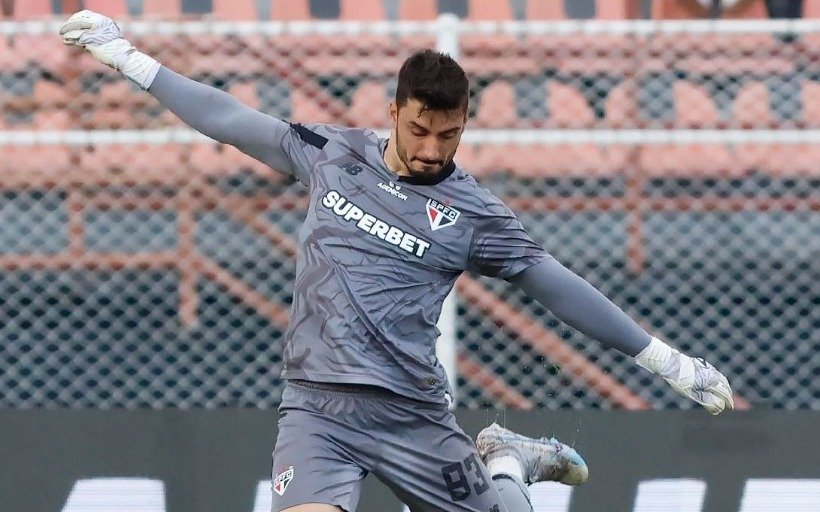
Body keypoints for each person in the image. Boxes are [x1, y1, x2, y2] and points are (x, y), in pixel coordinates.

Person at [59, 10, 735, 512]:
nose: (433, 147)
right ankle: (501, 462)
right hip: (318, 407)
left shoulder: (474, 213)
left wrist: (665, 361)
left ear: (464, 124)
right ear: (395, 112)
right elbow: (231, 119)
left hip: (411, 414)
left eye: (449, 133)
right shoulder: (334, 155)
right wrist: (130, 59)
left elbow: (555, 284)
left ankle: (504, 461)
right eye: (419, 129)